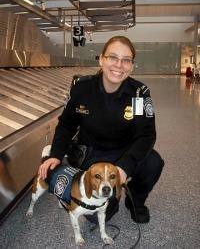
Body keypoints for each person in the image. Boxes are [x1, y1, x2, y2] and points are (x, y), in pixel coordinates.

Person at [38, 36, 164, 224]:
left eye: (126, 60)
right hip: (91, 154)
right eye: (112, 57)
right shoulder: (82, 89)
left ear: (131, 65)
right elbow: (66, 125)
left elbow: (146, 134)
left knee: (154, 162)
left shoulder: (139, 94)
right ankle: (113, 198)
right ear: (102, 59)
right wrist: (56, 154)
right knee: (96, 218)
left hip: (125, 151)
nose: (119, 65)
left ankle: (135, 200)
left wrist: (124, 167)